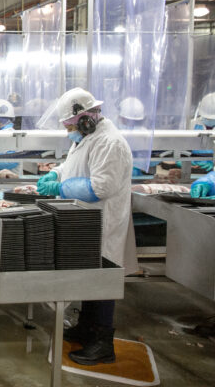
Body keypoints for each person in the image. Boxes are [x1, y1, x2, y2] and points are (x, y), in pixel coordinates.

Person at [36, 87, 138, 366]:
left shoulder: (110, 143)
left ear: (85, 119)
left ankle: (103, 342)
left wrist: (59, 187)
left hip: (102, 223)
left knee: (103, 281)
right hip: (84, 222)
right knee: (90, 279)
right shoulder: (87, 138)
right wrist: (55, 173)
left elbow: (99, 187)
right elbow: (72, 165)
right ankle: (86, 328)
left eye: (69, 125)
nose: (69, 132)